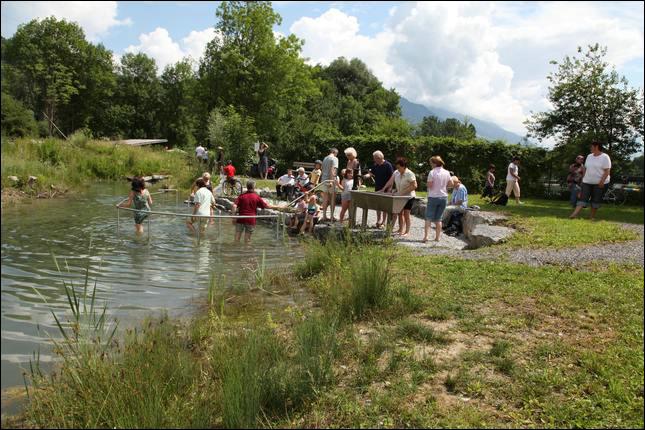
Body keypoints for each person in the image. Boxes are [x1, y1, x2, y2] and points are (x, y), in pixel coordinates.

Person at [569, 142, 611, 221]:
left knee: (595, 200)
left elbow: (607, 171)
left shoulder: (605, 157)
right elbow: (585, 168)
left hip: (599, 183)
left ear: (596, 147)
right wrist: (583, 180)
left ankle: (591, 217)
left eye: (591, 146)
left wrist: (602, 181)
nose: (590, 148)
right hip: (587, 182)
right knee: (582, 198)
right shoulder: (589, 156)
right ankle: (574, 215)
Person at [382, 157, 417, 237]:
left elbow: (414, 186)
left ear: (403, 166)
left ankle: (407, 231)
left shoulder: (410, 173)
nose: (397, 169)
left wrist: (402, 193)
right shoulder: (396, 172)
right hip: (399, 197)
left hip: (409, 197)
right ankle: (400, 230)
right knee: (399, 213)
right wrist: (384, 189)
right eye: (396, 167)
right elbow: (390, 182)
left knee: (406, 214)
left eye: (399, 167)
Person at [423, 156, 452, 243]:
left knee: (428, 217)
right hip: (443, 197)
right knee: (439, 219)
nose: (430, 164)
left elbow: (430, 185)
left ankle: (426, 237)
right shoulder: (447, 172)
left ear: (434, 163)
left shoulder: (432, 172)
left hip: (433, 197)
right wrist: (444, 186)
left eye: (431, 163)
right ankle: (437, 238)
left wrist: (428, 184)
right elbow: (451, 184)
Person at [363, 150, 395, 228]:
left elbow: (392, 177)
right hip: (378, 187)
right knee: (378, 206)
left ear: (379, 157)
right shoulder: (375, 165)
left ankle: (383, 222)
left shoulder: (388, 165)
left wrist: (389, 188)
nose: (374, 159)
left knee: (384, 206)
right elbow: (371, 173)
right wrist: (366, 176)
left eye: (374, 158)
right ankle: (378, 220)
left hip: (386, 189)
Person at [320, 148, 339, 222]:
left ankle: (324, 216)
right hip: (331, 180)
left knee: (325, 199)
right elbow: (333, 169)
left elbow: (322, 169)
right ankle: (331, 217)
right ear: (334, 152)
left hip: (324, 180)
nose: (336, 155)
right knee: (332, 199)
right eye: (336, 154)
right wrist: (331, 181)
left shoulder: (325, 158)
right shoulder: (335, 158)